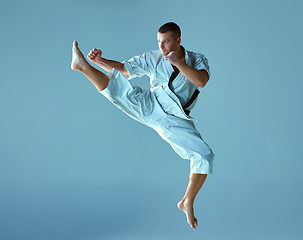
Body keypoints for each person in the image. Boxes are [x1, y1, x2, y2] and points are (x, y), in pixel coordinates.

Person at [71, 22, 215, 229]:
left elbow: (202, 81)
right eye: (159, 42)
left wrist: (180, 64)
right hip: (153, 104)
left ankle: (187, 201)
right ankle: (83, 65)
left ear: (178, 40)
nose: (162, 47)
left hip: (177, 118)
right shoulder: (153, 57)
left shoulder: (198, 59)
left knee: (205, 155)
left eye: (165, 42)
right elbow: (123, 69)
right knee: (120, 93)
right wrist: (100, 60)